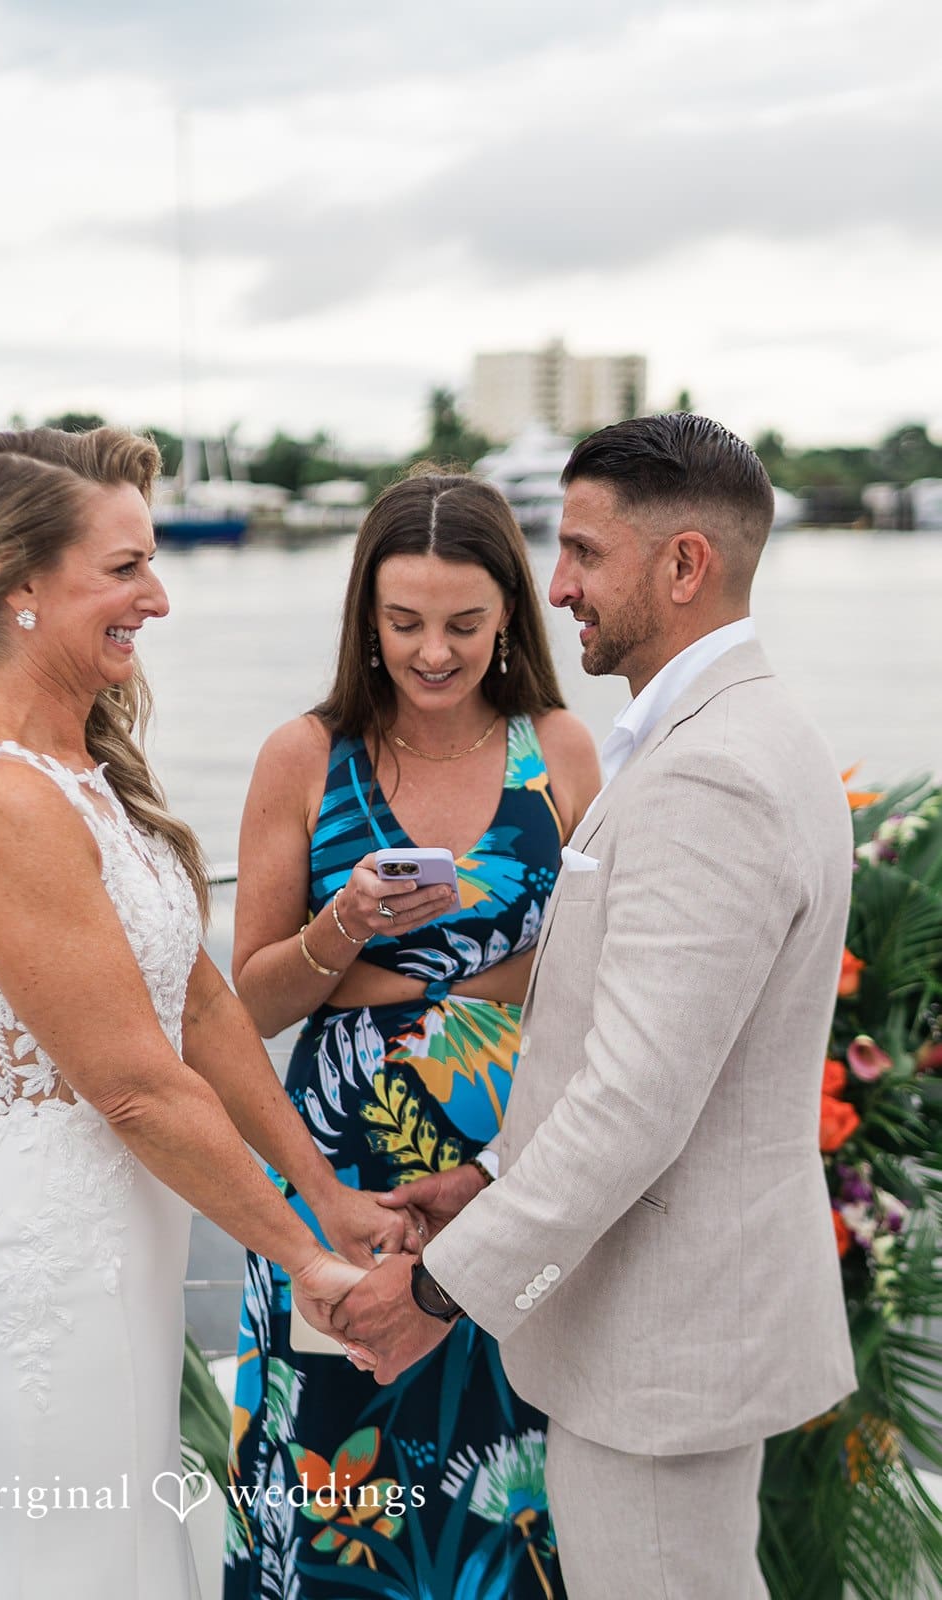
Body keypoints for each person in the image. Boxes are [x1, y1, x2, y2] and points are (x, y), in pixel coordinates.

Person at [335, 416, 857, 1599]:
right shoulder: (724, 735)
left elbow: (634, 1101)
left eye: (580, 552)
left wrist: (438, 1287)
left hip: (660, 1355)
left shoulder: (708, 771)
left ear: (682, 565)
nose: (554, 585)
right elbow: (652, 1057)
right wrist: (487, 1178)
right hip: (668, 1333)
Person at [0, 427, 410, 1600]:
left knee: (127, 1556)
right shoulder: (2, 805)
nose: (158, 596)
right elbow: (131, 1084)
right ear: (22, 583)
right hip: (55, 1265)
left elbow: (198, 1004)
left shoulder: (79, 774)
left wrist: (325, 1195)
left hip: (124, 1249)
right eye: (124, 566)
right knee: (71, 1567)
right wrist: (306, 1264)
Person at [223, 470, 600, 1599]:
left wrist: (474, 974)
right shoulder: (305, 754)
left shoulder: (563, 751)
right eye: (402, 623)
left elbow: (608, 967)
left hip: (516, 1184)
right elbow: (247, 1001)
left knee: (503, 1487)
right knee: (339, 1484)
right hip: (340, 1184)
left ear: (508, 621)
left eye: (462, 624)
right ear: (364, 620)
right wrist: (340, 931)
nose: (431, 651)